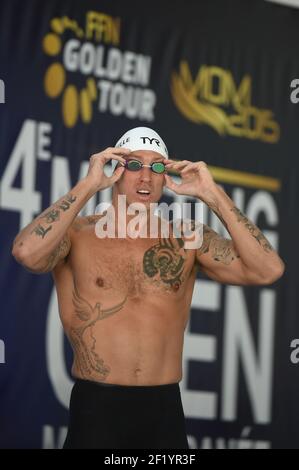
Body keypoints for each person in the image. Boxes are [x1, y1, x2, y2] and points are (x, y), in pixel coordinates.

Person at [12, 127, 285, 449]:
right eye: (133, 165)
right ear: (115, 170)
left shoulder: (187, 238)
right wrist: (88, 186)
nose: (145, 177)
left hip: (163, 409)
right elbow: (27, 253)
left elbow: (268, 270)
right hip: (97, 408)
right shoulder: (76, 235)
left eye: (156, 167)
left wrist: (213, 194)